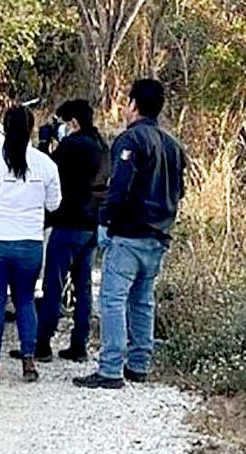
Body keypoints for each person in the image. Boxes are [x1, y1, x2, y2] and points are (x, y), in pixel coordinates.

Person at [74, 79, 186, 389]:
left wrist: (105, 220)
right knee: (142, 300)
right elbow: (180, 191)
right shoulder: (173, 146)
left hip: (129, 234)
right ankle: (139, 364)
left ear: (134, 105)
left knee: (112, 299)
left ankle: (110, 368)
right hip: (158, 235)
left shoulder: (130, 140)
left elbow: (119, 187)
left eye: (127, 102)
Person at [0, 106, 62, 383]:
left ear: (4, 128)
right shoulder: (45, 164)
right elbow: (54, 204)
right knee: (25, 300)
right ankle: (28, 362)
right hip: (29, 242)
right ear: (31, 129)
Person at [8, 99, 110, 363]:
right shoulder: (102, 146)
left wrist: (44, 142)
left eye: (64, 123)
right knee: (83, 286)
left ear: (73, 122)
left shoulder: (72, 145)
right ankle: (79, 344)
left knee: (54, 284)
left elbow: (45, 169)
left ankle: (42, 344)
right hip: (91, 223)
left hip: (68, 222)